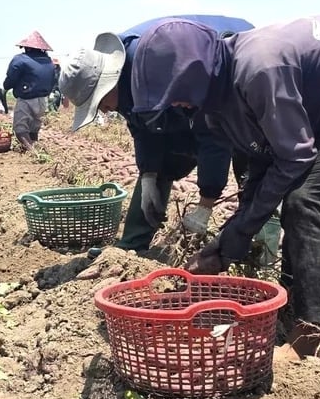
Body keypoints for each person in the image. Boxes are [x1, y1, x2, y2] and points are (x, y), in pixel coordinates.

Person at [131, 16, 320, 361]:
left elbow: (294, 157)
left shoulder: (258, 69)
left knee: (305, 200)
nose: (177, 105)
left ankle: (314, 332)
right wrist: (227, 242)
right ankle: (292, 304)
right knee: (291, 193)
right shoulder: (218, 102)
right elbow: (262, 158)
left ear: (194, 75)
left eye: (176, 96)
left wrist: (239, 233)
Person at [60, 15, 253, 254]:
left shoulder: (159, 62)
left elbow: (213, 131)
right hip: (194, 105)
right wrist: (149, 174)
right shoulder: (125, 80)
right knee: (159, 162)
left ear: (109, 83)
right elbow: (141, 125)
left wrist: (206, 203)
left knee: (253, 173)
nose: (102, 110)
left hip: (238, 86)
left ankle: (255, 253)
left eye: (98, 102)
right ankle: (131, 246)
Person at [4, 31, 57, 151]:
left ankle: (32, 152)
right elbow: (53, 80)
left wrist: (6, 86)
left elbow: (11, 78)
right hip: (43, 100)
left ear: (27, 48)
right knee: (34, 128)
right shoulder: (49, 62)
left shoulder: (21, 60)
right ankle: (35, 146)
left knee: (20, 130)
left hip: (27, 99)